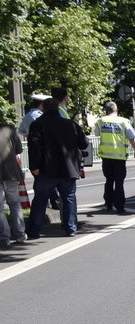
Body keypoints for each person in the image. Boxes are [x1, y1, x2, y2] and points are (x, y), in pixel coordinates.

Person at [26, 88, 89, 239]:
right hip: (68, 168)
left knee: (40, 199)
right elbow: (84, 143)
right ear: (58, 108)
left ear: (43, 108)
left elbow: (34, 147)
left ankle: (34, 230)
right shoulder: (70, 124)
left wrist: (34, 167)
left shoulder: (37, 124)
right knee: (68, 198)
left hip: (47, 169)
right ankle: (70, 228)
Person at [93, 101, 135, 214]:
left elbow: (96, 134)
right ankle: (120, 207)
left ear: (107, 110)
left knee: (109, 180)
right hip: (119, 157)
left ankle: (108, 203)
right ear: (116, 110)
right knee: (119, 182)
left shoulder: (101, 121)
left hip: (106, 157)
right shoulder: (124, 121)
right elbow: (132, 139)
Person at [19, 93, 60, 209]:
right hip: (44, 152)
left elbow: (22, 131)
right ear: (42, 104)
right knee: (48, 182)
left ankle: (50, 204)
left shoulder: (27, 115)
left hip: (36, 151)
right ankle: (52, 204)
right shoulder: (37, 116)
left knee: (42, 182)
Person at [0, 121, 27, 247]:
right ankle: (20, 233)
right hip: (11, 171)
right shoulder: (9, 129)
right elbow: (19, 149)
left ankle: (4, 237)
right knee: (15, 203)